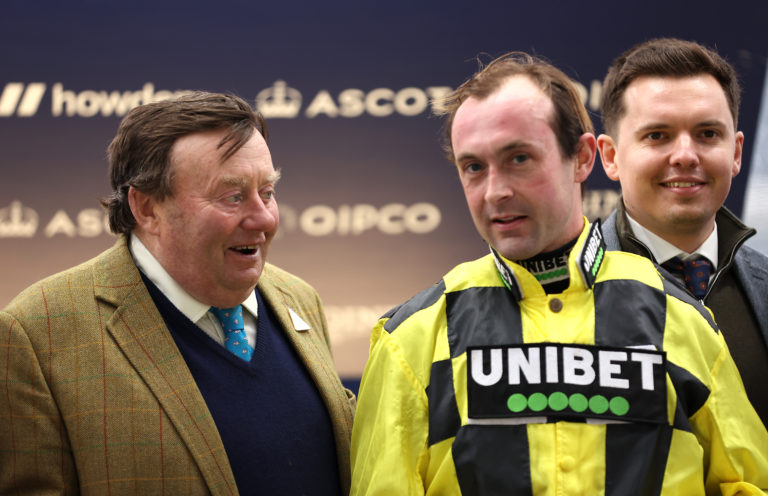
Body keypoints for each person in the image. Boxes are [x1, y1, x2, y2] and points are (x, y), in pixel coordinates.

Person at [350, 52, 768, 494]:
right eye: (474, 167)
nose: (495, 191)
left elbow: (747, 485)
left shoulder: (682, 319)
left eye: (519, 159)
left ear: (583, 158)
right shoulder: (410, 338)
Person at [0, 92, 355, 495]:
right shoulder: (35, 334)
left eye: (268, 193)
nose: (263, 217)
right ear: (147, 207)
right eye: (233, 196)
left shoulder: (299, 298)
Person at [597, 37, 768, 425]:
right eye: (657, 135)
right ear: (611, 157)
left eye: (708, 134)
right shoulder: (554, 296)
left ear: (736, 153)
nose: (686, 155)